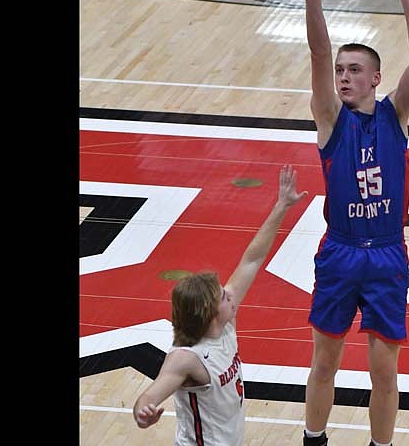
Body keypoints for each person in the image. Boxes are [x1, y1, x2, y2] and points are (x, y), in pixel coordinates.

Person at [286, 0, 409, 446]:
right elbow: (319, 50)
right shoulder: (330, 120)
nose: (343, 76)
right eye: (340, 71)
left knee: (384, 373)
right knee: (324, 361)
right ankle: (313, 438)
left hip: (388, 253)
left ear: (375, 78)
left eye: (354, 70)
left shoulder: (395, 115)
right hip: (341, 251)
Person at [132, 164, 308, 445]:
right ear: (209, 314)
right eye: (222, 297)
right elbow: (148, 397)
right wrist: (143, 413)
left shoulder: (224, 323)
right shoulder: (186, 357)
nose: (230, 294)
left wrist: (282, 205)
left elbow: (252, 258)